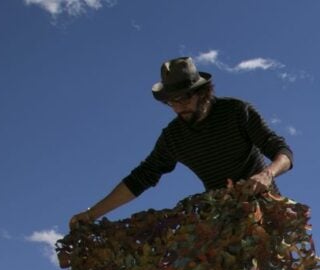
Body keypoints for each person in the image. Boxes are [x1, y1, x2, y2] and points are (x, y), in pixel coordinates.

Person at [69, 57, 293, 228]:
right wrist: (91, 214)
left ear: (203, 92)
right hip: (222, 216)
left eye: (185, 98)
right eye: (171, 102)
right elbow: (140, 178)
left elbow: (282, 151)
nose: (178, 107)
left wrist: (267, 174)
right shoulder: (173, 137)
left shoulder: (236, 111)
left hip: (266, 210)